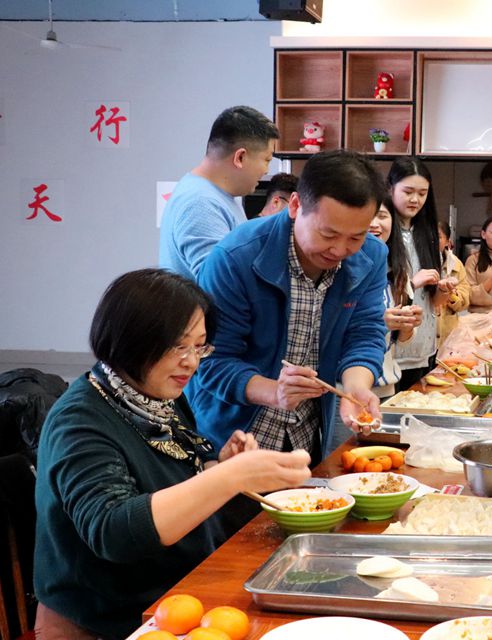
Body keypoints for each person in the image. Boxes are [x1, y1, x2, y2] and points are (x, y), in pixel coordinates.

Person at [33, 269, 310, 640]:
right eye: (179, 347)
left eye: (200, 347)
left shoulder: (155, 395)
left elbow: (174, 478)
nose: (192, 362)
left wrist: (220, 467)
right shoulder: (79, 421)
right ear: (130, 340)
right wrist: (228, 477)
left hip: (177, 594)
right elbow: (113, 531)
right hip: (107, 619)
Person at [187, 150, 387, 465]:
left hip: (305, 440)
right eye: (328, 234)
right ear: (295, 205)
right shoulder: (236, 257)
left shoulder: (370, 257)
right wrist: (275, 391)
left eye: (356, 237)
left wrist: (356, 388)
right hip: (232, 440)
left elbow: (365, 332)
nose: (340, 249)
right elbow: (210, 360)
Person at [159, 106, 279, 279]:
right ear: (240, 157)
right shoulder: (200, 203)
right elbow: (218, 283)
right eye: (266, 160)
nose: (266, 170)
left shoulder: (220, 195)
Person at [384, 157, 443, 391]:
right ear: (391, 188)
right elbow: (376, 293)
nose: (415, 200)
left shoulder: (426, 233)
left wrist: (442, 290)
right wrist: (412, 283)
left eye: (422, 193)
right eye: (408, 192)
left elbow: (433, 302)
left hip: (423, 348)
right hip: (391, 351)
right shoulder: (381, 232)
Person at [371, 202, 421, 398]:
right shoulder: (340, 267)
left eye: (382, 216)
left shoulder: (399, 272)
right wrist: (380, 322)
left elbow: (401, 342)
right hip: (343, 389)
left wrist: (407, 326)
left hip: (387, 387)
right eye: (368, 216)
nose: (374, 224)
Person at [436, 220, 470, 347]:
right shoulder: (415, 262)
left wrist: (451, 294)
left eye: (438, 237)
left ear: (447, 242)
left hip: (447, 336)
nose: (432, 240)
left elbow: (464, 301)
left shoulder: (456, 265)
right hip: (421, 336)